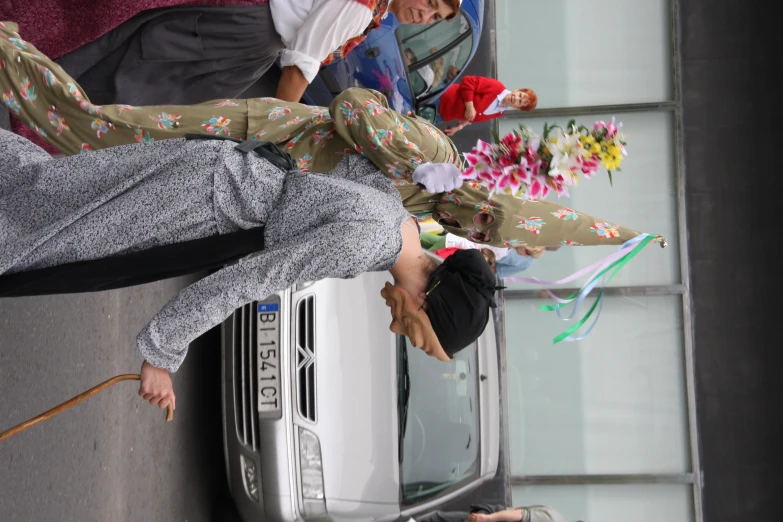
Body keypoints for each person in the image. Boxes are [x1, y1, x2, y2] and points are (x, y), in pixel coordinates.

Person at [0, 23, 663, 252]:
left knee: (93, 177)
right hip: (247, 138)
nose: (480, 224)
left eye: (485, 233)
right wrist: (402, 160)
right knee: (94, 133)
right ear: (490, 196)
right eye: (491, 216)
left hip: (235, 186)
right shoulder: (438, 166)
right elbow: (351, 108)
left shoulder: (425, 211)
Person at [1, 127, 499, 413]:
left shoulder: (398, 219)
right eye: (416, 333)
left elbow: (333, 161)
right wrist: (162, 352)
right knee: (49, 237)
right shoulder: (365, 243)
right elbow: (247, 281)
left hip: (213, 171)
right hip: (200, 205)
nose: (396, 327)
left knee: (50, 190)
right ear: (427, 299)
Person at [19, 0, 461, 109]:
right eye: (431, 1)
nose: (424, 13)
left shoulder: (375, 9)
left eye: (433, 15)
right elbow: (303, 62)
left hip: (252, 29)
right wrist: (278, 126)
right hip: (251, 33)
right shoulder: (362, 6)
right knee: (147, 75)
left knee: (146, 55)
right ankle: (43, 95)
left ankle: (41, 81)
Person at [439, 76, 537, 136]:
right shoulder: (497, 87)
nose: (516, 98)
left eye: (520, 102)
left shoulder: (500, 112)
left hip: (443, 116)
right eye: (520, 95)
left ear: (517, 108)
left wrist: (459, 127)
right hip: (441, 97)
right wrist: (469, 106)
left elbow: (472, 116)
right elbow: (468, 81)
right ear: (517, 90)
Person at [412, 503, 573, 522]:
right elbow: (519, 515)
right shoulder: (551, 520)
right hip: (489, 520)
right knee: (437, 519)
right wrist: (487, 519)